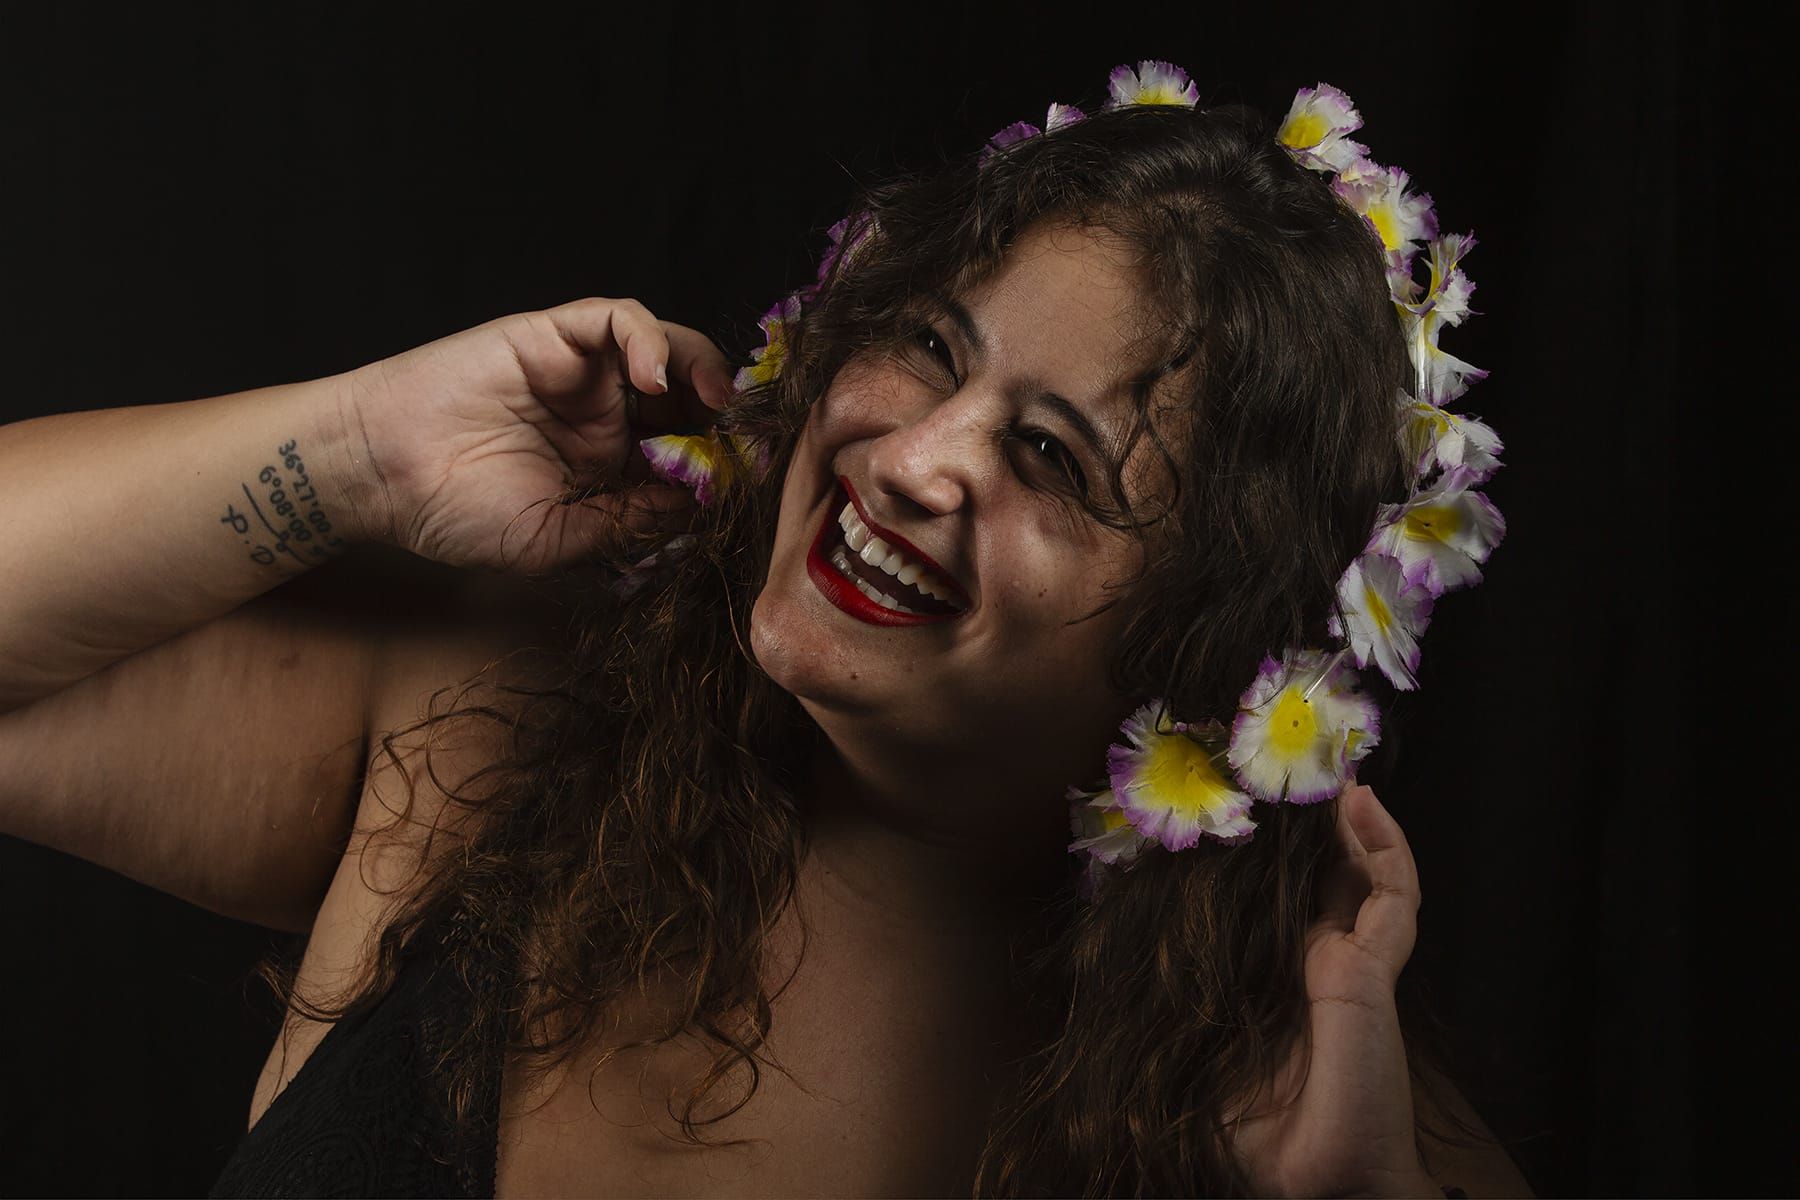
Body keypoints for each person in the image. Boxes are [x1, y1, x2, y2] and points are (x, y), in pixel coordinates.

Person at [0, 65, 1533, 1197]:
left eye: (1053, 460)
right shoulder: (483, 719)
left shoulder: (1324, 1111)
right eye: (930, 347)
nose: (916, 457)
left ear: (1226, 656)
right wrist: (355, 451)